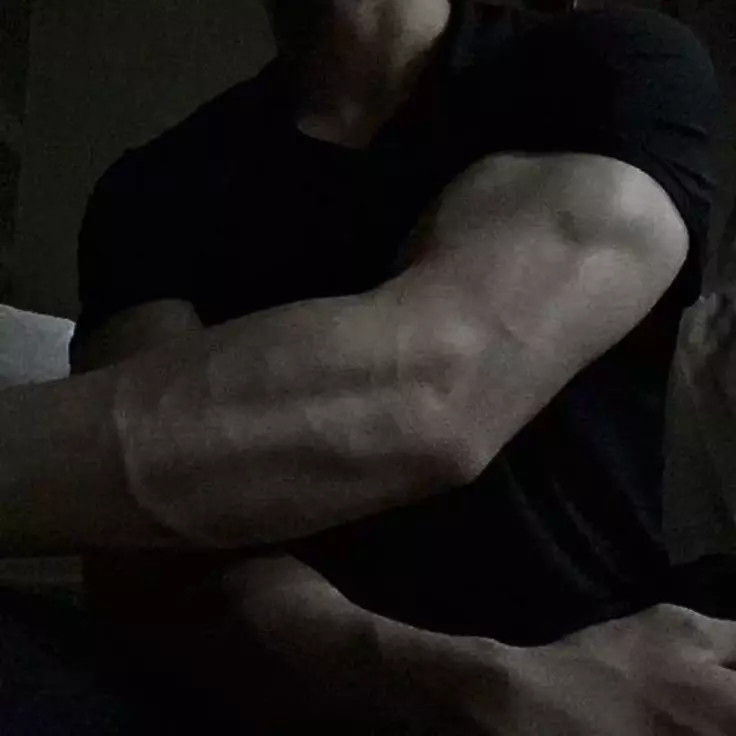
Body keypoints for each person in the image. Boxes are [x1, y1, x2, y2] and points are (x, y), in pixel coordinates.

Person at [2, 0, 736, 733]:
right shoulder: (154, 187)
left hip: (610, 670)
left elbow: (433, 383)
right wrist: (472, 690)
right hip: (294, 688)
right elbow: (153, 556)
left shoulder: (608, 63)